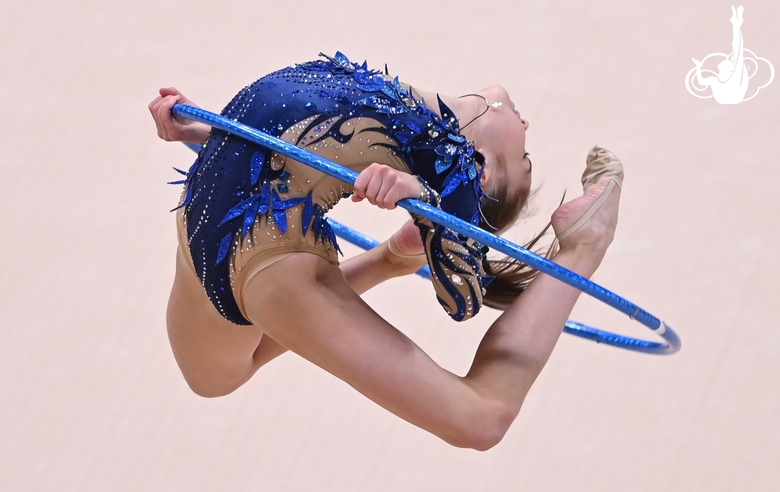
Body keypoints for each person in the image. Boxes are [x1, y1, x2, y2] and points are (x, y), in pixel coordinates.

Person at [149, 52, 623, 450]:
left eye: (524, 159)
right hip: (223, 226)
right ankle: (391, 260)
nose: (526, 124)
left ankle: (582, 248)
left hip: (255, 252)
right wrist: (219, 139)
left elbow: (464, 298)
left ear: (481, 174)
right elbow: (299, 129)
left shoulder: (455, 165)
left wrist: (429, 206)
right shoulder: (405, 104)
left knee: (483, 419)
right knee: (216, 380)